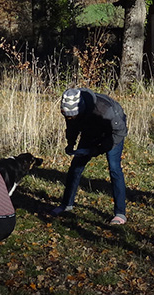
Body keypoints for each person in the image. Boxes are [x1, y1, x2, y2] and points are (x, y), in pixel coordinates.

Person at [50, 87, 129, 225]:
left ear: (82, 108)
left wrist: (98, 149)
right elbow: (72, 126)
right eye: (68, 116)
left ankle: (120, 213)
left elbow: (120, 132)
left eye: (73, 115)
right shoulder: (70, 109)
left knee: (114, 168)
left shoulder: (105, 110)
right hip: (90, 131)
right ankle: (66, 204)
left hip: (113, 132)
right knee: (76, 167)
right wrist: (71, 143)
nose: (70, 118)